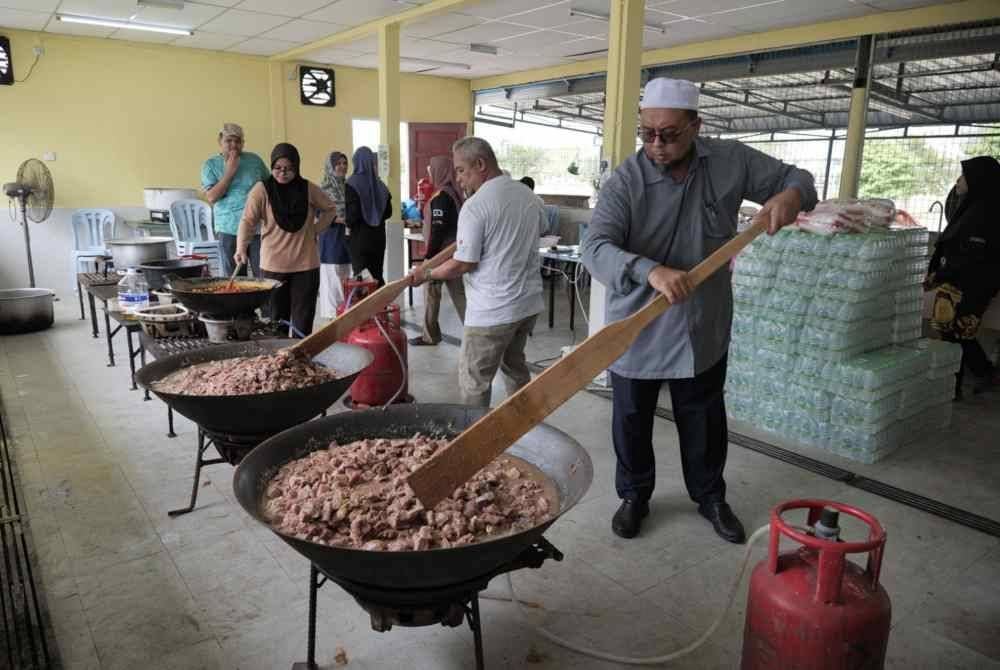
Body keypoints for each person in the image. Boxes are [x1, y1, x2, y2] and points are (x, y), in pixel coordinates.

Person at [581, 77, 817, 543]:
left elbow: (799, 178)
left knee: (704, 417)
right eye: (646, 133)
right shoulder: (625, 182)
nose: (656, 144)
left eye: (668, 134)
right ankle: (634, 496)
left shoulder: (730, 161)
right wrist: (650, 271)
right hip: (638, 325)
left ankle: (710, 496)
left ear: (695, 126)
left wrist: (791, 196)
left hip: (701, 324)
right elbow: (595, 247)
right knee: (631, 418)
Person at [408, 137, 544, 407]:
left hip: (492, 312)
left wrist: (427, 275)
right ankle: (526, 430)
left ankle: (474, 442)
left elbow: (463, 263)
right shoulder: (529, 197)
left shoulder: (476, 205)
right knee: (514, 367)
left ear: (480, 164)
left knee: (474, 381)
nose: (458, 178)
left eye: (461, 170)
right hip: (527, 305)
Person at [235, 143, 340, 337]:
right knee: (277, 322)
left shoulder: (307, 188)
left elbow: (330, 209)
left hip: (305, 266)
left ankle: (300, 360)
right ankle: (280, 363)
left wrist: (315, 230)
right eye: (277, 168)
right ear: (272, 166)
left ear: (297, 167)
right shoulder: (262, 190)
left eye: (289, 169)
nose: (283, 173)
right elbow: (247, 221)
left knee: (303, 322)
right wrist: (241, 248)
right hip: (274, 267)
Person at [926, 156, 1000, 397]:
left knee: (957, 333)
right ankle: (977, 375)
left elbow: (971, 254)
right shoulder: (972, 206)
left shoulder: (987, 211)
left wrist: (940, 273)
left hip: (971, 285)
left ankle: (958, 384)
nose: (958, 180)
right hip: (956, 281)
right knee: (951, 332)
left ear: (978, 179)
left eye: (964, 175)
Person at [410, 156, 468, 346]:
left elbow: (438, 229)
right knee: (460, 296)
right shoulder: (452, 193)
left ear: (438, 171)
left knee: (431, 295)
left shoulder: (442, 196)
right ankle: (472, 334)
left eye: (430, 170)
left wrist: (428, 258)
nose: (428, 174)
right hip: (454, 254)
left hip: (441, 256)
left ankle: (430, 335)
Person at [201, 123, 269, 278]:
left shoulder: (254, 161)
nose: (234, 145)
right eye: (229, 141)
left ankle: (265, 303)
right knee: (235, 277)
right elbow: (212, 197)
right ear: (220, 141)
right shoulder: (211, 165)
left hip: (257, 227)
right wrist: (230, 171)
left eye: (238, 141)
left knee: (264, 275)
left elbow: (269, 185)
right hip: (229, 228)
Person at [345, 146, 392, 286]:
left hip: (359, 239)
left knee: (363, 279)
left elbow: (351, 216)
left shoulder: (351, 184)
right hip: (378, 239)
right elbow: (389, 212)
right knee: (377, 274)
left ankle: (367, 307)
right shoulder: (381, 185)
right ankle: (379, 306)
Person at [317, 151, 351, 319]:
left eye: (345, 163)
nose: (342, 167)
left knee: (345, 277)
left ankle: (344, 314)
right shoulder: (322, 189)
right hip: (330, 239)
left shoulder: (349, 187)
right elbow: (317, 213)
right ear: (330, 166)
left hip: (347, 238)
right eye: (338, 163)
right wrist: (335, 219)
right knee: (332, 277)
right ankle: (332, 317)